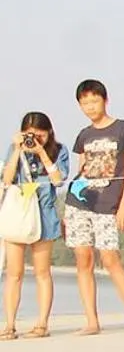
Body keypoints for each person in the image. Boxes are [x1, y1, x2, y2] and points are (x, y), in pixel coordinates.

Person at [68, 79, 124, 335]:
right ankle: (91, 320)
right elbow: (80, 171)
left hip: (108, 203)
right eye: (84, 103)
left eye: (94, 101)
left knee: (110, 258)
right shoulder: (84, 135)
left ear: (105, 100)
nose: (90, 107)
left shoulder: (123, 128)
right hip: (80, 203)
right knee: (83, 259)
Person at [1, 112, 70, 339]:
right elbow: (8, 179)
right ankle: (9, 325)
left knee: (42, 272)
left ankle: (42, 324)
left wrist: (41, 152)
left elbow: (58, 179)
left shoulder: (59, 150)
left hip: (45, 214)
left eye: (39, 133)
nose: (35, 137)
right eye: (30, 133)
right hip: (18, 215)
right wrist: (18, 149)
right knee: (14, 274)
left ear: (49, 131)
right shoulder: (16, 149)